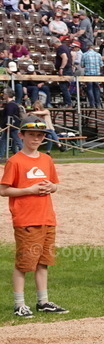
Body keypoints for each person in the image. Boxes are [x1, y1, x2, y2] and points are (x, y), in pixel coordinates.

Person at [0, 116, 70, 317]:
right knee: (24, 263)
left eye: (40, 135)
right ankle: (19, 304)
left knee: (43, 261)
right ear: (21, 135)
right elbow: (4, 190)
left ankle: (43, 301)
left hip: (47, 217)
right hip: (26, 219)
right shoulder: (15, 161)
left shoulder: (47, 159)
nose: (36, 139)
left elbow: (55, 185)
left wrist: (52, 187)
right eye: (31, 135)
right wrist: (29, 189)